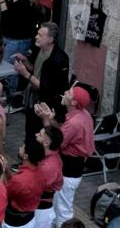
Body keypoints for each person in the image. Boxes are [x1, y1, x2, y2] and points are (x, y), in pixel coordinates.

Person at [35, 85, 93, 226]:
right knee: (59, 209)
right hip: (72, 170)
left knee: (63, 212)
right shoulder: (83, 114)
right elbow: (60, 132)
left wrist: (45, 120)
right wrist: (51, 119)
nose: (65, 92)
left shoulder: (74, 122)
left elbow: (54, 141)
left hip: (68, 172)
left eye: (69, 93)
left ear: (74, 102)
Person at [15, 22, 69, 140]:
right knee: (29, 129)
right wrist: (25, 61)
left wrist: (25, 74)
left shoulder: (59, 59)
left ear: (50, 40)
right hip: (33, 98)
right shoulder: (39, 50)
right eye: (37, 34)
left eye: (40, 35)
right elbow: (36, 70)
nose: (36, 37)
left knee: (38, 133)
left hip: (46, 104)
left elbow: (48, 89)